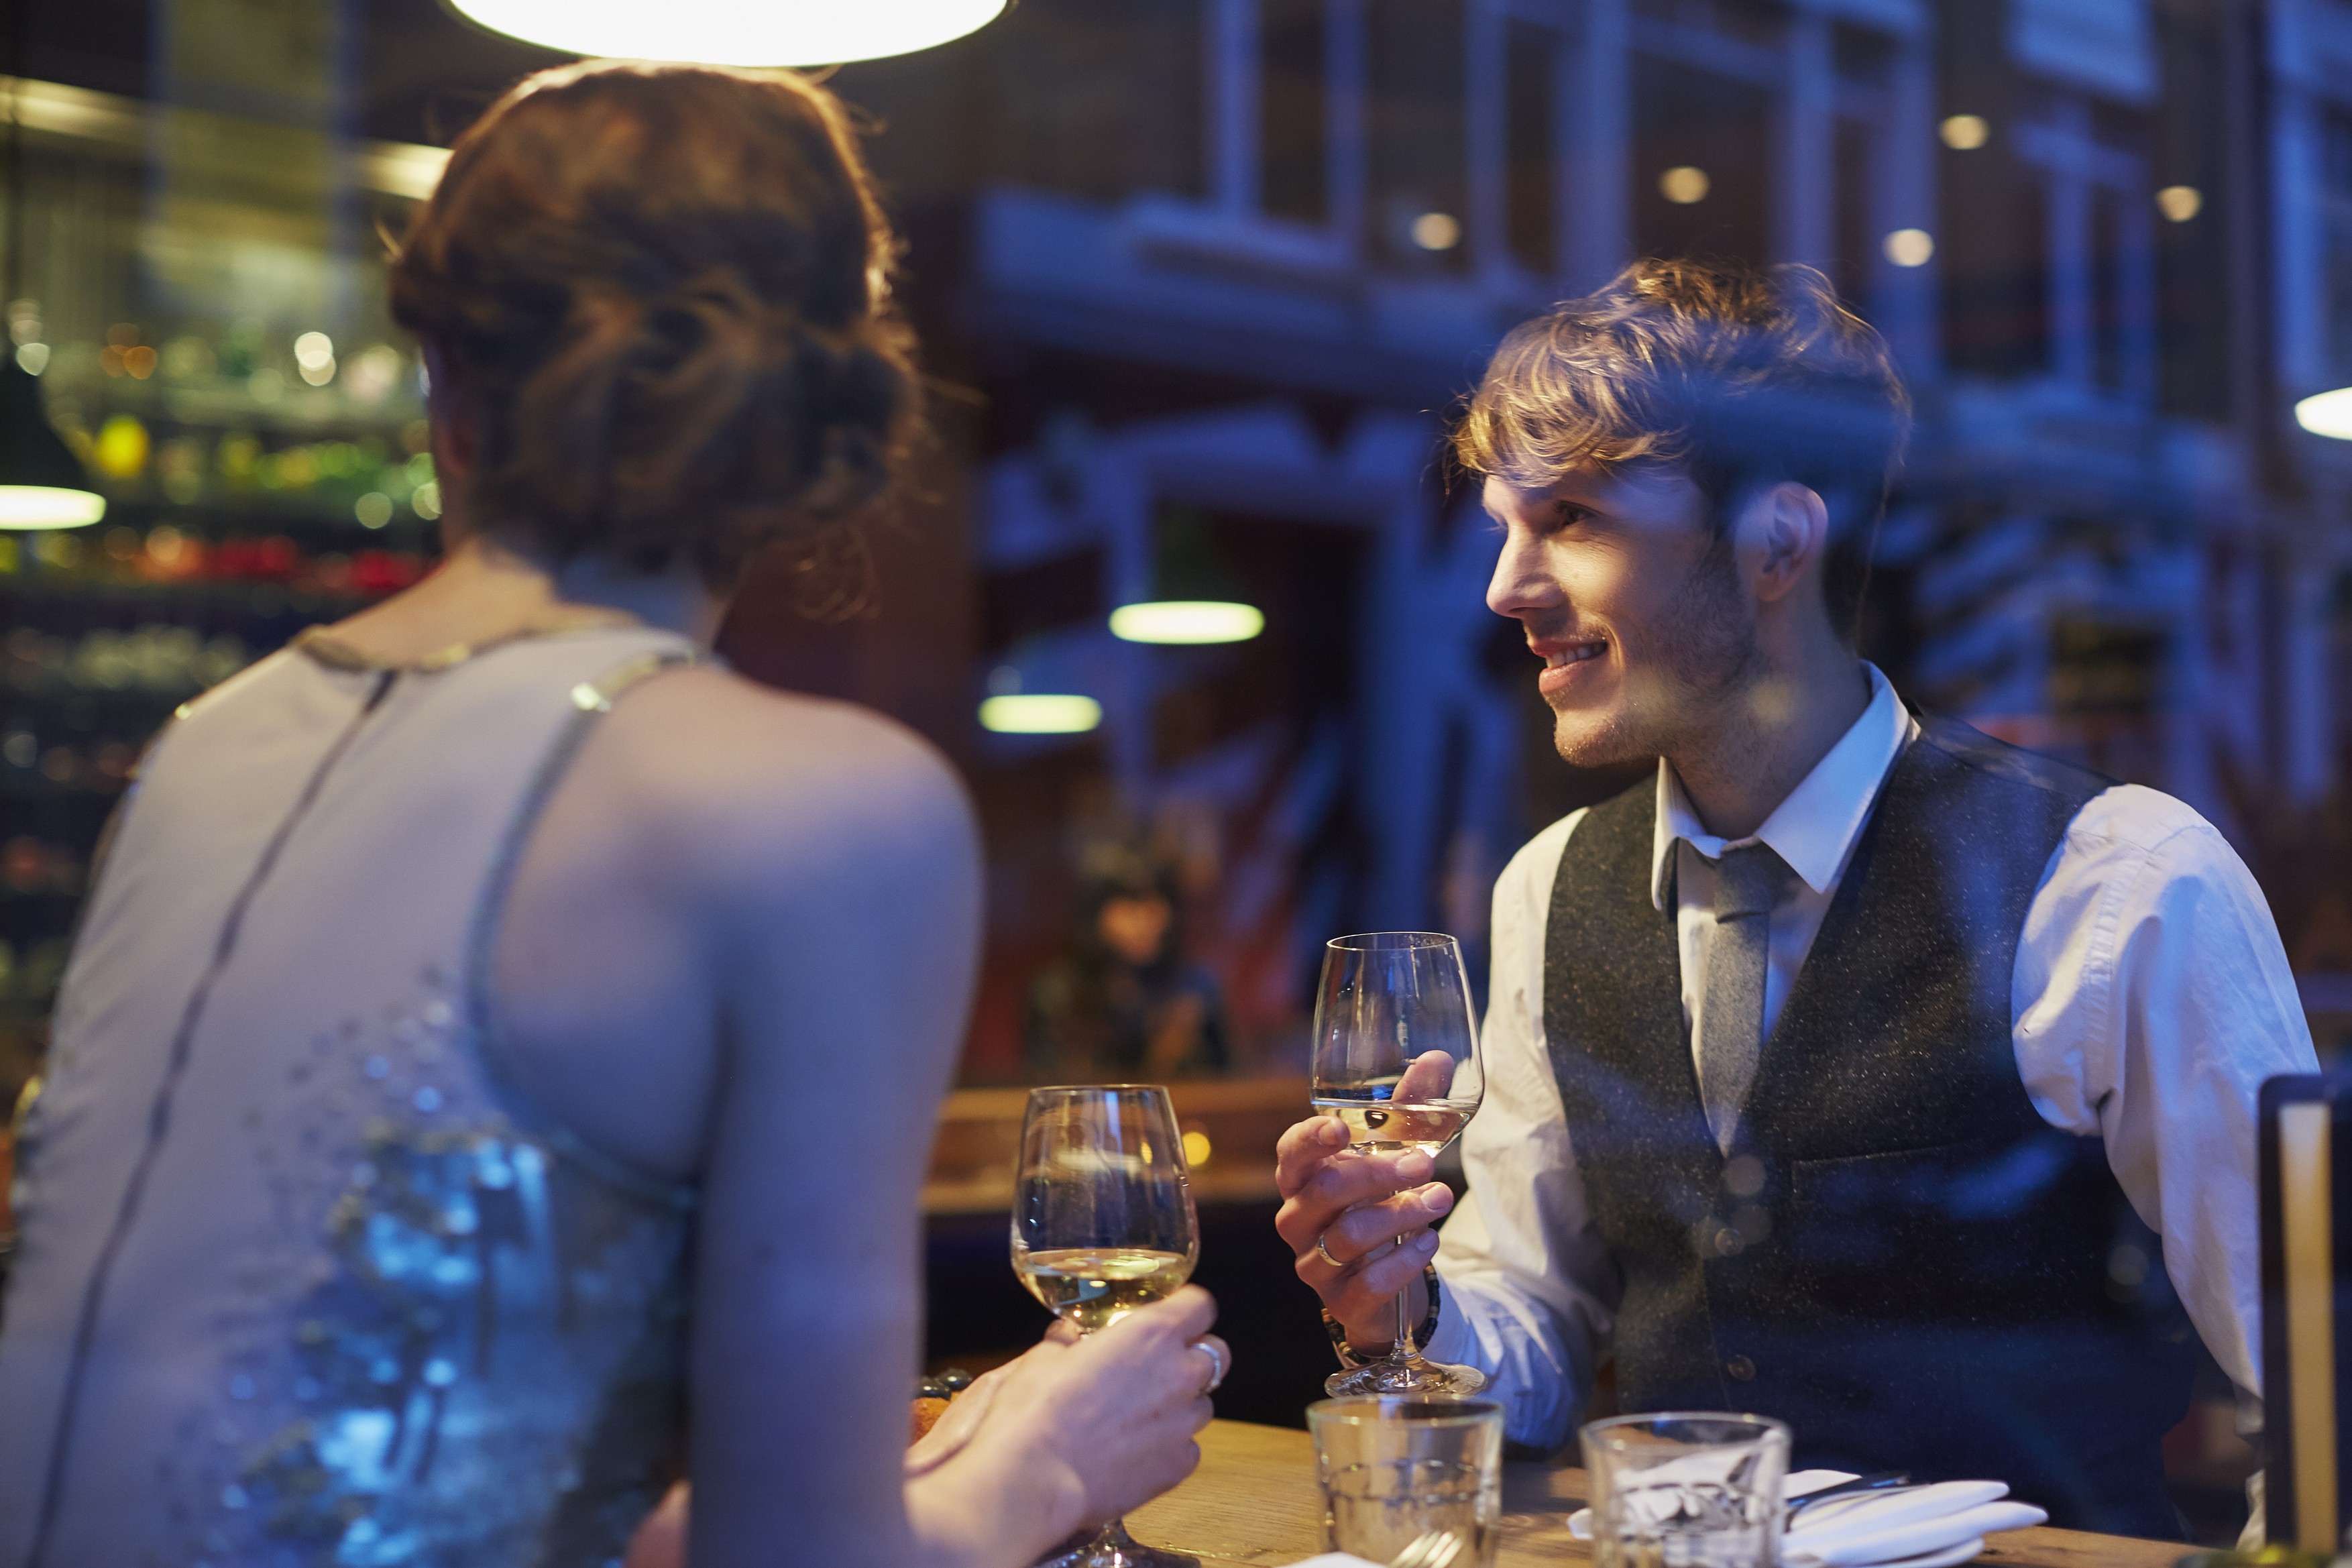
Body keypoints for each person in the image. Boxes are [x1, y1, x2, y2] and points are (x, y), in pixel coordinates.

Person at [0, 62, 1225, 1568]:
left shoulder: (200, 748)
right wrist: (1035, 1464)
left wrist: (955, 1463)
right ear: (815, 425)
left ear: (444, 385)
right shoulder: (819, 807)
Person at [1273, 258, 2315, 1538]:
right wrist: (1408, 1303)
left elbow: (2320, 1395)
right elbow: (1532, 1331)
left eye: (1573, 518)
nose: (1506, 587)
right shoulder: (1549, 887)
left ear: (1776, 538)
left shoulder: (2123, 881)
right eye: (1504, 525)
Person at [1026, 850, 1231, 1082]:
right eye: (1130, 902)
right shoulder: (1057, 992)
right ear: (1095, 913)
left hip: (1179, 1103)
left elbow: (1228, 1081)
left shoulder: (1196, 987)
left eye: (1155, 901)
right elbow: (1044, 1084)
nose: (1146, 919)